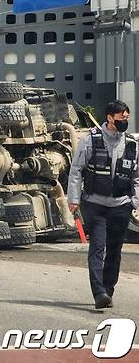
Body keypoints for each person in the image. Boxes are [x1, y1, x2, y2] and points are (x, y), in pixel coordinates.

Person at [67, 100, 139, 309]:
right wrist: (73, 200)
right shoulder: (90, 140)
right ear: (109, 117)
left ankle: (108, 290)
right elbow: (76, 171)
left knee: (115, 250)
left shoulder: (132, 145)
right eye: (121, 118)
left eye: (127, 118)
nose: (125, 121)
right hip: (95, 204)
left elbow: (136, 177)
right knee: (98, 247)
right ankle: (98, 292)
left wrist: (134, 201)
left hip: (121, 205)